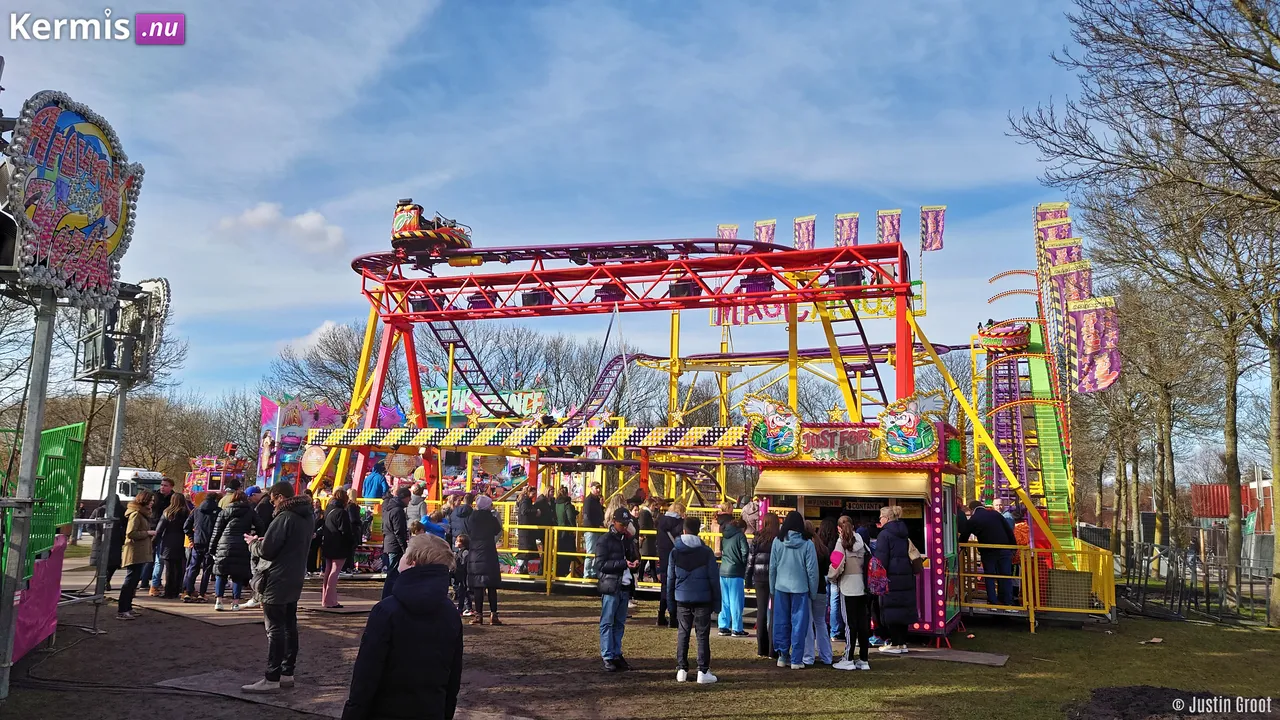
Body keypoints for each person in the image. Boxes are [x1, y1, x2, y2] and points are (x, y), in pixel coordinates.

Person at [340, 534, 462, 720]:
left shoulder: (386, 611)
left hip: (384, 711)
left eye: (405, 552)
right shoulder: (451, 613)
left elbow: (367, 673)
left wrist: (353, 713)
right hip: (431, 710)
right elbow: (453, 675)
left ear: (412, 562)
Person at [241, 482, 315, 694]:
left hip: (277, 578)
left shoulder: (284, 517)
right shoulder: (307, 515)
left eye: (272, 499)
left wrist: (253, 543)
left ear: (280, 497)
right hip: (295, 576)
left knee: (274, 629)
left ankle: (271, 677)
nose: (271, 503)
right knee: (290, 626)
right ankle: (286, 673)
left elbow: (267, 551)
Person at [668, 515, 720, 684]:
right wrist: (717, 602)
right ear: (699, 531)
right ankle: (703, 671)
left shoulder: (675, 552)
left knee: (683, 633)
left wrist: (670, 604)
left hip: (681, 597)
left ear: (683, 531)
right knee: (702, 634)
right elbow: (714, 578)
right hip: (703, 597)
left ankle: (681, 669)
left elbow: (670, 579)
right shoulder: (706, 552)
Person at [768, 511, 818, 669]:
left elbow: (772, 567)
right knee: (799, 624)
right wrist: (813, 591)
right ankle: (796, 659)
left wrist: (772, 588)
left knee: (781, 622)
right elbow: (812, 571)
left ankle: (782, 656)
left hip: (780, 587)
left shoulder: (778, 541)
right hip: (800, 588)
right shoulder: (808, 544)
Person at [595, 507, 638, 672]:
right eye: (622, 524)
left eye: (627, 524)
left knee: (619, 623)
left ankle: (616, 654)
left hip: (623, 585)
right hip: (612, 586)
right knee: (608, 622)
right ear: (614, 522)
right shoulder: (604, 540)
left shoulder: (625, 540)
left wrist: (634, 563)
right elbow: (600, 565)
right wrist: (623, 564)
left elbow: (631, 557)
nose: (625, 527)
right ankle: (608, 655)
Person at [209, 489, 266, 612]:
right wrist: (255, 536)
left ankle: (219, 601)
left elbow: (217, 531)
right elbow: (261, 526)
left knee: (221, 574)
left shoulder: (224, 512)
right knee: (238, 576)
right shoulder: (250, 512)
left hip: (224, 544)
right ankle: (235, 603)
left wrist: (212, 548)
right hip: (242, 544)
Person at [873, 506, 917, 654]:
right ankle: (902, 643)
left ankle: (894, 643)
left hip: (891, 577)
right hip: (905, 577)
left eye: (880, 517)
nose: (879, 520)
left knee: (891, 611)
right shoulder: (903, 533)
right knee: (902, 610)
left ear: (886, 518)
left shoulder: (884, 535)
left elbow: (880, 561)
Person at [831, 516, 871, 671]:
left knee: (850, 625)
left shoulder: (840, 543)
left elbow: (836, 566)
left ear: (839, 528)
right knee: (862, 624)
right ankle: (864, 659)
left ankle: (848, 658)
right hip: (862, 586)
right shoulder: (862, 542)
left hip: (847, 587)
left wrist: (832, 579)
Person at [966, 500, 1016, 609]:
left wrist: (961, 548)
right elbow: (1009, 531)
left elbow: (964, 535)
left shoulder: (974, 519)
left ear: (971, 509)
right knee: (1005, 576)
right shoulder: (995, 514)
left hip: (988, 551)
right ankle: (1008, 602)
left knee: (989, 576)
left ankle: (993, 602)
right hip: (1005, 549)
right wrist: (1013, 547)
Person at [116, 490, 156, 620]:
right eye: (151, 500)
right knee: (130, 580)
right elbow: (131, 533)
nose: (152, 503)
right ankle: (122, 609)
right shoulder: (136, 514)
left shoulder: (143, 514)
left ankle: (128, 607)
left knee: (134, 581)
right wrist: (148, 533)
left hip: (141, 551)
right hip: (135, 551)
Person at [466, 495, 504, 625]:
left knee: (478, 586)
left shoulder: (472, 517)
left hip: (475, 553)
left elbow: (468, 530)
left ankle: (478, 615)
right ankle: (494, 614)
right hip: (489, 552)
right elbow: (498, 530)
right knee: (491, 586)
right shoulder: (492, 518)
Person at [746, 512, 778, 658]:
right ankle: (773, 648)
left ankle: (761, 648)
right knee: (775, 613)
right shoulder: (778, 538)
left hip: (759, 577)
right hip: (775, 577)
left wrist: (747, 578)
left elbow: (750, 559)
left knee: (761, 611)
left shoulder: (757, 537)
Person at [803, 520, 834, 667]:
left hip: (808, 588)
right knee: (821, 622)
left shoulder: (805, 547)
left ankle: (808, 656)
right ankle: (826, 655)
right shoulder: (822, 547)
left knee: (808, 622)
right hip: (822, 587)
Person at [183, 491, 221, 602]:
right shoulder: (218, 512)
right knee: (207, 569)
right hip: (211, 543)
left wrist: (192, 538)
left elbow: (186, 526)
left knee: (193, 567)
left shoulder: (196, 510)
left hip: (197, 542)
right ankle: (202, 593)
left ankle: (188, 592)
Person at [152, 492, 190, 599]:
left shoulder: (168, 513)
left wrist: (154, 542)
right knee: (180, 568)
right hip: (182, 542)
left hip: (168, 542)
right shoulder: (187, 512)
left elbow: (159, 529)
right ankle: (178, 589)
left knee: (169, 569)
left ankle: (169, 591)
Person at [322, 488, 355, 609]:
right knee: (334, 573)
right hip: (339, 546)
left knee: (328, 571)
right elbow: (345, 531)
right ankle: (330, 601)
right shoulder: (342, 513)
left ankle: (325, 599)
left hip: (328, 544)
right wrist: (352, 542)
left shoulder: (328, 509)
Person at [718, 517, 749, 637]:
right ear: (742, 528)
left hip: (723, 570)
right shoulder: (740, 536)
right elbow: (745, 552)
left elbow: (722, 551)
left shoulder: (724, 535)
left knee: (725, 600)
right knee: (736, 601)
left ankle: (723, 626)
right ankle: (736, 628)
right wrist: (743, 563)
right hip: (736, 571)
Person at [655, 501, 684, 628]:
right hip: (675, 557)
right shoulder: (679, 524)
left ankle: (661, 615)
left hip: (663, 557)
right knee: (674, 587)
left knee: (665, 586)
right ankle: (673, 617)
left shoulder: (660, 522)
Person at [147, 477, 175, 596]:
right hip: (153, 528)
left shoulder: (173, 498)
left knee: (160, 559)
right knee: (151, 558)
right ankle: (150, 582)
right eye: (162, 485)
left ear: (171, 487)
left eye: (165, 485)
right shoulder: (155, 496)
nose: (162, 487)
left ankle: (155, 583)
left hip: (165, 530)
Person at [818, 516, 845, 642]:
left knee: (824, 602)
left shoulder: (818, 541)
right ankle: (835, 631)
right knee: (834, 602)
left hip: (822, 574)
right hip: (833, 573)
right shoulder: (836, 541)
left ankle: (822, 628)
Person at [382, 486, 411, 599]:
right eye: (409, 498)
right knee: (393, 574)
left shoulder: (388, 508)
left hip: (389, 543)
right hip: (395, 545)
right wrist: (404, 548)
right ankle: (388, 598)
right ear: (404, 497)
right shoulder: (398, 511)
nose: (409, 501)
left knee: (392, 573)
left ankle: (388, 597)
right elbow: (399, 531)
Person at [91, 499, 126, 591]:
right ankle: (102, 583)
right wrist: (97, 534)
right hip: (100, 541)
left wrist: (122, 535)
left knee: (113, 563)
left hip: (115, 541)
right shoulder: (99, 511)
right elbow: (90, 524)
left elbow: (126, 525)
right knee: (101, 562)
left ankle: (107, 579)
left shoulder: (122, 511)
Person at [553, 487, 578, 578]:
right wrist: (573, 528)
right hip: (567, 532)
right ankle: (564, 572)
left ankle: (557, 572)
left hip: (558, 531)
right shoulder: (568, 505)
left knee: (559, 553)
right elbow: (570, 517)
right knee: (567, 554)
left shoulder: (555, 504)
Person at [582, 481, 605, 579]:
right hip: (591, 530)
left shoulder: (596, 501)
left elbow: (599, 515)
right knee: (590, 552)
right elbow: (587, 516)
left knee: (596, 552)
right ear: (591, 488)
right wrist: (597, 525)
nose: (598, 490)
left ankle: (593, 572)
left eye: (599, 488)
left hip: (597, 529)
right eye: (596, 488)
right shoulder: (589, 500)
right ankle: (587, 574)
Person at [515, 486, 538, 573]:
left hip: (525, 529)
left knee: (526, 549)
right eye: (533, 493)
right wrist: (536, 511)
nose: (534, 495)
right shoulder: (525, 501)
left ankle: (522, 568)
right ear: (528, 492)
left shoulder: (524, 500)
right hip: (526, 529)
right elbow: (524, 511)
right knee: (525, 549)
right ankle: (521, 568)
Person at [638, 497, 658, 583]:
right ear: (650, 505)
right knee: (645, 559)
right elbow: (643, 526)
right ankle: (641, 577)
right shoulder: (644, 513)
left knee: (651, 560)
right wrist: (644, 535)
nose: (655, 507)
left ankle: (654, 578)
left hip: (650, 540)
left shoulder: (646, 513)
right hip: (647, 540)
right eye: (654, 505)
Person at [453, 534, 473, 616]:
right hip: (459, 574)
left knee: (462, 592)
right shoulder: (459, 552)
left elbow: (464, 563)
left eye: (457, 541)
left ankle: (462, 609)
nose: (455, 542)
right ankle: (467, 608)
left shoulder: (465, 552)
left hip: (463, 575)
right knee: (463, 592)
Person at [344, 497, 364, 575]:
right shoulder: (352, 506)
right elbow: (353, 519)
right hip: (353, 530)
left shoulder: (347, 506)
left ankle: (349, 567)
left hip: (349, 530)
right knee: (351, 551)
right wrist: (359, 521)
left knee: (350, 550)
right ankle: (350, 567)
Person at [308, 496, 325, 578]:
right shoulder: (310, 512)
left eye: (317, 502)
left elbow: (323, 525)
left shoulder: (322, 513)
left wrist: (317, 533)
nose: (315, 504)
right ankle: (309, 568)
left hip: (318, 535)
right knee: (310, 552)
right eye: (314, 502)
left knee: (315, 552)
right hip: (310, 534)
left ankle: (314, 568)